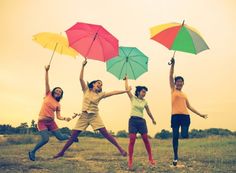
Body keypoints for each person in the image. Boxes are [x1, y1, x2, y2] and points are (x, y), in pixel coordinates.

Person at [53, 60, 131, 158]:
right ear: (93, 84)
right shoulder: (86, 90)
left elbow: (113, 92)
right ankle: (61, 152)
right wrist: (83, 66)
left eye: (101, 84)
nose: (100, 85)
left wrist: (125, 90)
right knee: (73, 136)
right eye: (98, 83)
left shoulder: (101, 94)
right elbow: (80, 78)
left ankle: (121, 150)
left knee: (106, 134)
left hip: (94, 116)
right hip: (84, 116)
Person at [28, 65, 72, 161]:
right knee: (45, 139)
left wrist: (65, 118)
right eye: (56, 90)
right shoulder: (48, 94)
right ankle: (32, 152)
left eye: (60, 92)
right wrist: (47, 71)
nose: (58, 92)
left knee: (60, 137)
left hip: (51, 122)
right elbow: (46, 82)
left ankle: (70, 137)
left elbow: (59, 116)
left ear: (61, 95)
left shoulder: (58, 104)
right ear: (53, 91)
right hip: (42, 122)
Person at [169, 58, 208, 166]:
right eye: (178, 81)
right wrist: (173, 64)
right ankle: (175, 156)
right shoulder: (173, 90)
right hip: (175, 116)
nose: (179, 83)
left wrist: (200, 114)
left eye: (181, 82)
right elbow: (170, 76)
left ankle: (184, 134)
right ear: (175, 83)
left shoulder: (184, 94)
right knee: (175, 136)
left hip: (185, 116)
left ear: (183, 83)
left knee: (185, 135)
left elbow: (189, 106)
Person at [124, 76, 156, 169]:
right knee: (132, 140)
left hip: (141, 121)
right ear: (138, 92)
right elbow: (127, 90)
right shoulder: (133, 98)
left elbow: (148, 111)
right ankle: (130, 160)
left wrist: (152, 119)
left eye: (145, 92)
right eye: (143, 91)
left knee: (146, 139)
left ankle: (150, 158)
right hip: (133, 121)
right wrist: (126, 79)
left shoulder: (145, 101)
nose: (144, 93)